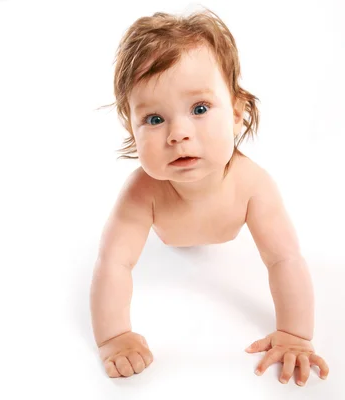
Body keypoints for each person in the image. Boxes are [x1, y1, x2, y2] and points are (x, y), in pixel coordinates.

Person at [90, 7, 329, 386]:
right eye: (154, 119)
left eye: (199, 109)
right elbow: (113, 264)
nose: (178, 133)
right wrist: (114, 337)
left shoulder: (252, 185)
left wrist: (295, 334)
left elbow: (285, 259)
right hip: (169, 240)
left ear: (236, 112)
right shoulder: (142, 193)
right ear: (131, 127)